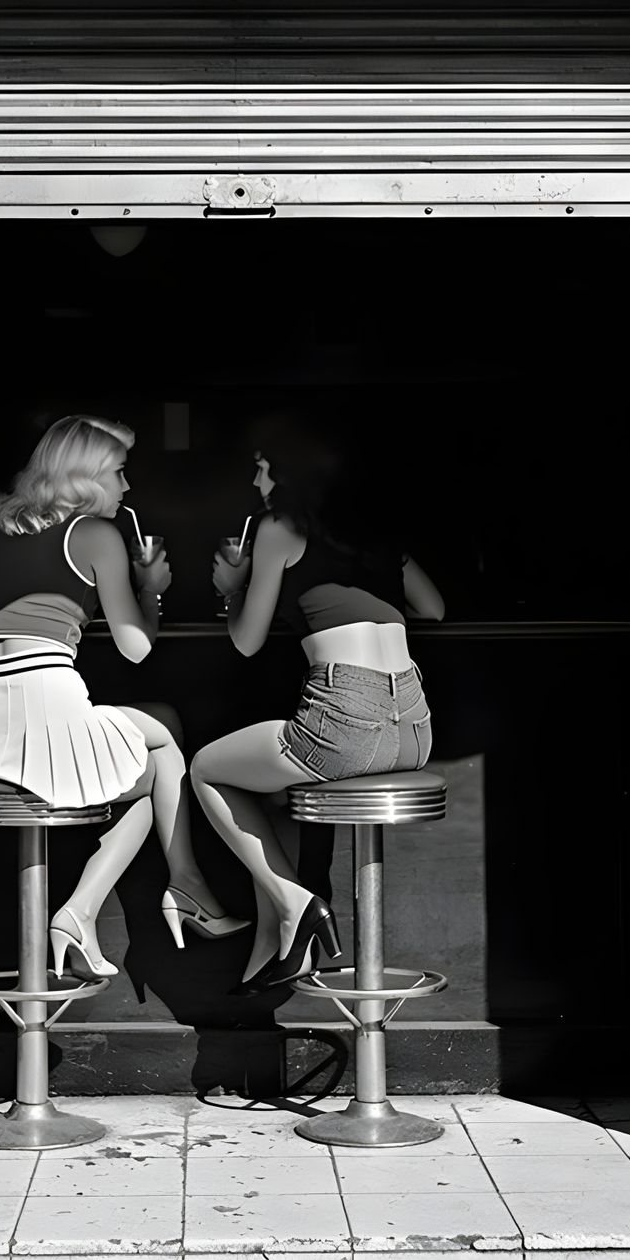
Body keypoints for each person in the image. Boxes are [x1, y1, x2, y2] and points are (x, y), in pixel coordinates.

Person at [0, 414, 246, 979]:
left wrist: (12, 620)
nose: (127, 485)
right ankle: (175, 885)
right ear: (89, 476)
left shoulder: (0, 532)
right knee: (163, 749)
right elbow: (136, 648)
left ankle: (100, 908)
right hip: (46, 704)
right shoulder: (95, 535)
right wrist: (151, 592)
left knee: (151, 754)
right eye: (119, 472)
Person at [190, 416, 446, 992]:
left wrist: (233, 589)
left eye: (262, 466)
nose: (255, 479)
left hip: (348, 716)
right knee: (270, 791)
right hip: (415, 724)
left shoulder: (279, 526)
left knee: (207, 768)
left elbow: (247, 640)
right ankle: (280, 939)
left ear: (287, 470)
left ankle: (296, 902)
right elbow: (434, 608)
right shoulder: (376, 530)